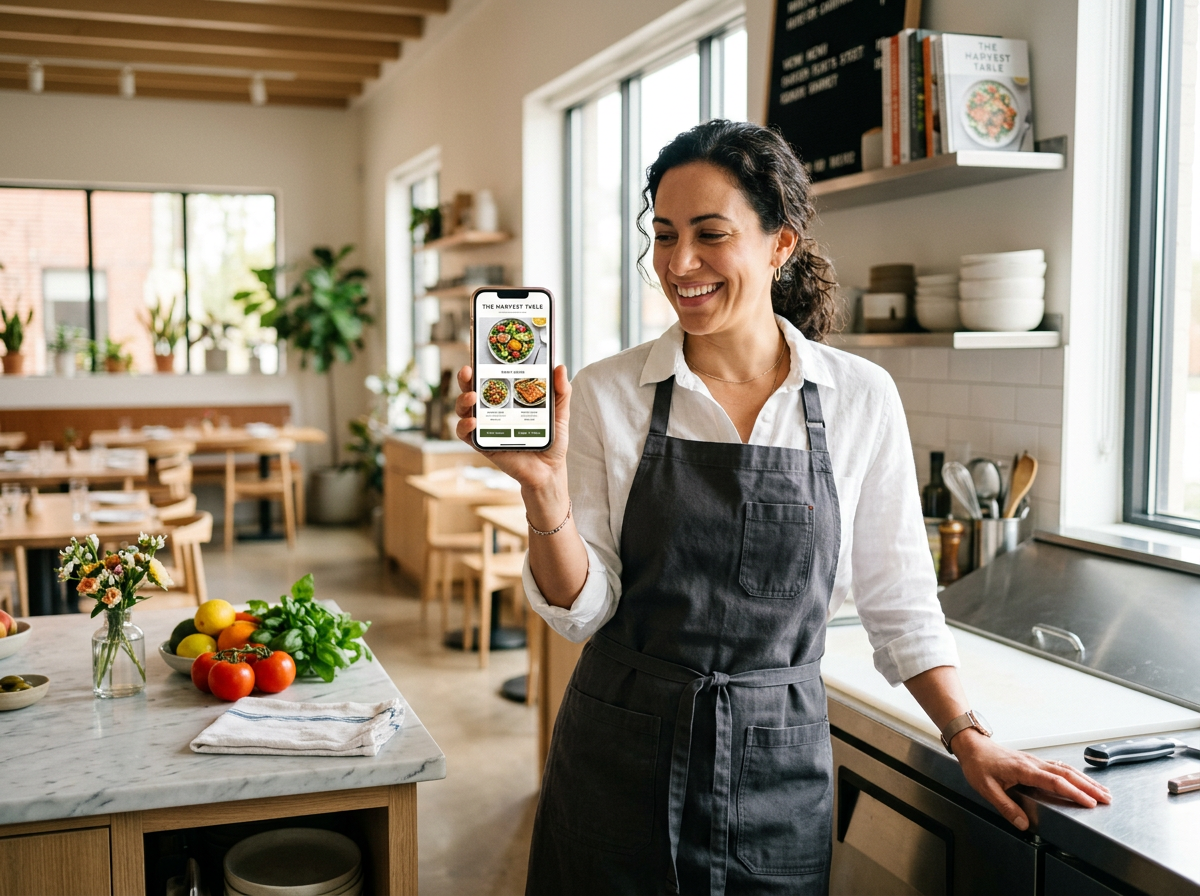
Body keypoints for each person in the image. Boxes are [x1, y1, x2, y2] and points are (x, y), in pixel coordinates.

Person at [454, 119, 1109, 896]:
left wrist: (967, 736)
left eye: (710, 234)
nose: (680, 263)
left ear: (780, 245)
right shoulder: (605, 392)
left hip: (779, 762)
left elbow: (899, 602)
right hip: (618, 751)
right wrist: (543, 491)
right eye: (663, 236)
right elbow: (582, 610)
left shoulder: (858, 397)